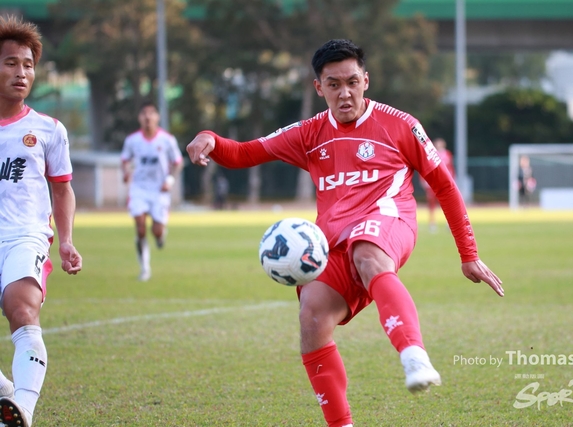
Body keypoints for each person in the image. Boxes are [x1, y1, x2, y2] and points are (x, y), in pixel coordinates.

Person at [187, 39, 503, 427]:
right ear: (318, 87)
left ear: (365, 80)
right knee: (312, 316)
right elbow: (244, 153)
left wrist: (468, 254)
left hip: (389, 219)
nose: (345, 93)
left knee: (367, 253)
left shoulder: (400, 125)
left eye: (352, 82)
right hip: (333, 240)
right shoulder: (309, 133)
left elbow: (445, 186)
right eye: (333, 84)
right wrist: (210, 138)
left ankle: (414, 356)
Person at [0, 16, 82, 427]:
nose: (22, 73)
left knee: (21, 308)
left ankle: (23, 412)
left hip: (25, 235)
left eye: (28, 65)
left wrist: (65, 240)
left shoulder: (48, 130)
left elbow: (62, 189)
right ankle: (5, 392)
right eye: (11, 63)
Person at [121, 101, 183, 281]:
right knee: (140, 227)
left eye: (151, 113)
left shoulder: (167, 139)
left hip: (159, 190)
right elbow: (125, 160)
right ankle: (145, 268)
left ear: (157, 117)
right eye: (144, 113)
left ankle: (161, 235)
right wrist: (126, 172)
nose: (147, 117)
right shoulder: (132, 140)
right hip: (139, 188)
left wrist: (169, 181)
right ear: (139, 118)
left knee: (156, 230)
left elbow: (178, 163)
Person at [420, 138, 455, 233]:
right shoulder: (430, 153)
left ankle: (449, 223)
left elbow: (450, 168)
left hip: (444, 183)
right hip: (433, 183)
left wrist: (452, 180)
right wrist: (424, 181)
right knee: (432, 205)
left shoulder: (447, 154)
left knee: (447, 204)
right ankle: (432, 223)